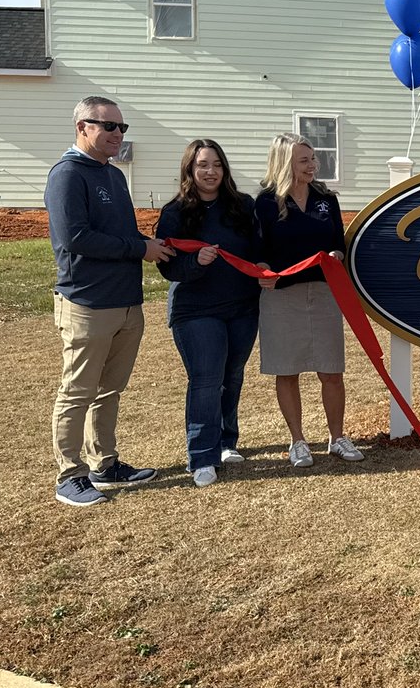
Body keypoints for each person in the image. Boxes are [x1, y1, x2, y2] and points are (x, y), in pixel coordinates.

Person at [44, 95, 174, 507]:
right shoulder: (67, 174)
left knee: (109, 389)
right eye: (109, 126)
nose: (118, 134)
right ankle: (70, 475)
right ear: (82, 127)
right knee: (77, 391)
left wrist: (150, 243)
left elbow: (121, 234)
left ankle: (104, 462)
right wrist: (139, 249)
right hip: (87, 303)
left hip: (126, 302)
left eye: (122, 127)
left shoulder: (113, 176)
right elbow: (76, 238)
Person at [156, 140, 261, 488]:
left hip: (242, 307)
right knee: (206, 380)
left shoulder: (243, 206)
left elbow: (258, 248)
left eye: (217, 165)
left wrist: (264, 265)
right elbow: (167, 267)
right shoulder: (175, 212)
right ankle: (202, 456)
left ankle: (227, 442)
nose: (210, 171)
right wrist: (194, 263)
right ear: (190, 169)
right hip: (196, 311)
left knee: (232, 375)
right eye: (202, 165)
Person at [254, 133, 364, 468]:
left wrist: (336, 255)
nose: (312, 165)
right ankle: (298, 441)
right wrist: (263, 269)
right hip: (281, 296)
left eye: (313, 158)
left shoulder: (325, 199)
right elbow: (258, 248)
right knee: (286, 371)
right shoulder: (265, 202)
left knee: (331, 370)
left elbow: (338, 242)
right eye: (304, 160)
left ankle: (337, 437)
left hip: (323, 292)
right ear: (284, 163)